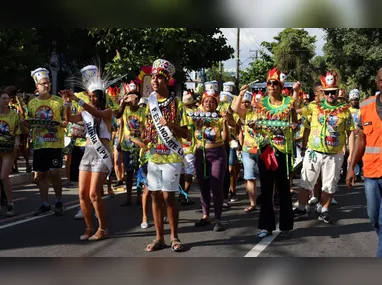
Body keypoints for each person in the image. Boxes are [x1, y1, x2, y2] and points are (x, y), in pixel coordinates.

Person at [60, 69, 120, 240]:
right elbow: (70, 119)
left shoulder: (107, 112)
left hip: (102, 154)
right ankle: (88, 227)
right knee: (82, 194)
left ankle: (103, 228)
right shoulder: (85, 113)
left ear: (101, 97)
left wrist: (77, 99)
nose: (93, 99)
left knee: (94, 194)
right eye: (91, 96)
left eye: (95, 96)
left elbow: (97, 114)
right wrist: (66, 102)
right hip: (87, 153)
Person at [239, 68, 298, 238]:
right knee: (266, 191)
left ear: (280, 86)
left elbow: (295, 124)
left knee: (284, 191)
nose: (272, 86)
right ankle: (266, 226)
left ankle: (286, 227)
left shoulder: (289, 103)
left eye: (275, 83)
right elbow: (249, 118)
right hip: (266, 150)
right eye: (269, 83)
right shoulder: (260, 104)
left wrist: (295, 127)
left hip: (283, 152)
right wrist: (254, 126)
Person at [294, 71, 354, 223]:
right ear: (323, 93)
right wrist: (294, 94)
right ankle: (301, 208)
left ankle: (325, 210)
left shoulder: (345, 110)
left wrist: (351, 155)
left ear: (337, 92)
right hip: (314, 152)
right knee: (306, 181)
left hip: (334, 154)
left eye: (333, 92)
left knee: (330, 184)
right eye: (327, 92)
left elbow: (351, 133)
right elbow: (296, 109)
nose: (330, 95)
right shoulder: (314, 107)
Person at [143, 59, 188, 252]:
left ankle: (174, 236)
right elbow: (146, 129)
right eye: (153, 77)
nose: (154, 81)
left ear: (166, 80)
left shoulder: (177, 104)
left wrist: (171, 126)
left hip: (171, 156)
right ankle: (159, 238)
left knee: (169, 195)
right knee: (155, 195)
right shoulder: (149, 103)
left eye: (158, 77)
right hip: (154, 156)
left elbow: (186, 133)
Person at [346, 68, 382, 257]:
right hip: (371, 172)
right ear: (377, 82)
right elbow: (361, 140)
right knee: (373, 217)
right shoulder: (366, 105)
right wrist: (352, 167)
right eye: (381, 80)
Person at [26, 68, 66, 216]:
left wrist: (63, 124)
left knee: (54, 172)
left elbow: (65, 120)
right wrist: (25, 124)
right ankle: (45, 203)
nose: (46, 86)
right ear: (37, 86)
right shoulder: (31, 104)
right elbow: (29, 123)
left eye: (48, 83)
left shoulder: (58, 101)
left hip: (55, 143)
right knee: (41, 175)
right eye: (43, 84)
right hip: (39, 143)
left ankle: (59, 200)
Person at [191, 89, 230, 231]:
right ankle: (205, 215)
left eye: (212, 101)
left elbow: (226, 139)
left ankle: (218, 219)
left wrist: (225, 122)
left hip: (217, 153)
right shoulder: (196, 116)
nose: (209, 103)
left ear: (216, 103)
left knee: (216, 186)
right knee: (203, 186)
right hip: (201, 153)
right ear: (202, 103)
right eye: (206, 101)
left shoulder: (219, 117)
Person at [232, 91, 260, 212]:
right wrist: (240, 94)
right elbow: (235, 109)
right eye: (244, 102)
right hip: (248, 150)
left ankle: (269, 201)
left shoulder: (263, 113)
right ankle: (253, 203)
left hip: (263, 149)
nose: (245, 104)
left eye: (248, 102)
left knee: (267, 178)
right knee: (250, 177)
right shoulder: (246, 114)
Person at [0, 90, 23, 216]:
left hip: (8, 148)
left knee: (4, 176)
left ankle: (10, 204)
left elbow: (17, 132)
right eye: (3, 98)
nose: (5, 101)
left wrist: (16, 144)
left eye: (7, 98)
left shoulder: (14, 114)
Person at [179, 91, 196, 205]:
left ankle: (181, 195)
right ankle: (184, 195)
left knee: (181, 172)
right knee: (189, 171)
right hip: (190, 146)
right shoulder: (195, 113)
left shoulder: (178, 113)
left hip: (178, 146)